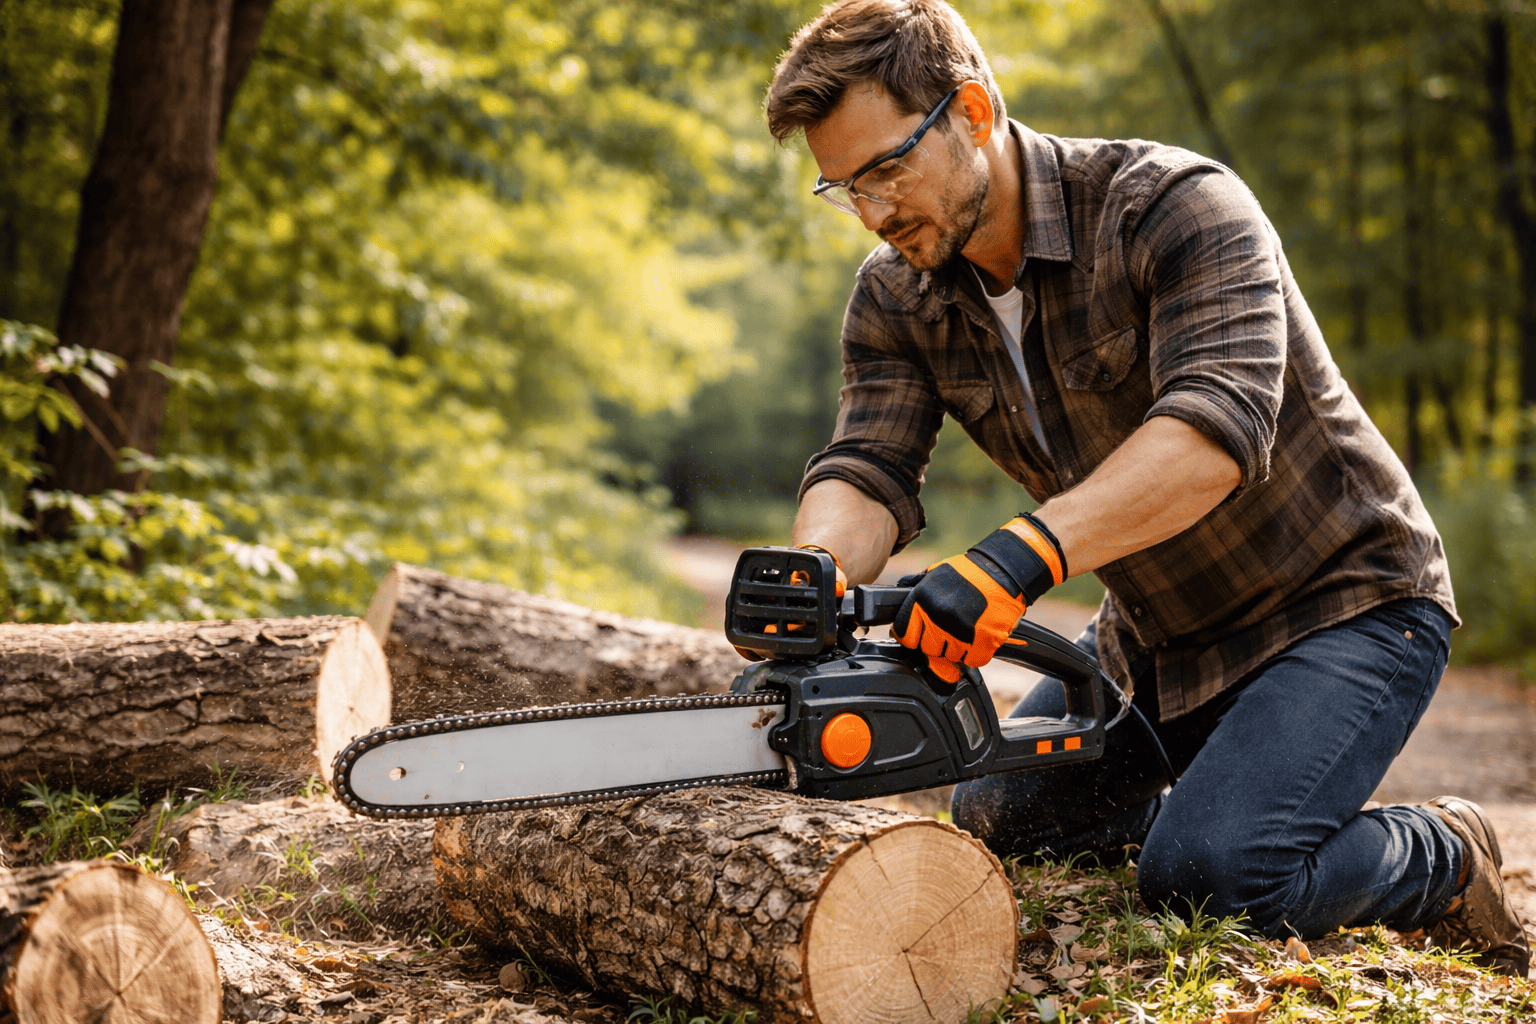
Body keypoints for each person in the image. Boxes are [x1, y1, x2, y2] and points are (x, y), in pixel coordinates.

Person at [757, 0, 1529, 976]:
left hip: (1346, 606)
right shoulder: (897, 294)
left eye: (887, 169)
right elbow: (868, 465)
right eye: (843, 186)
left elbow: (1215, 430)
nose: (870, 210)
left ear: (975, 114)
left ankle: (1442, 852)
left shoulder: (1171, 207)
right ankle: (1228, 797)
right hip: (1157, 635)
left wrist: (1015, 558)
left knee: (1211, 878)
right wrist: (813, 568)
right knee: (996, 813)